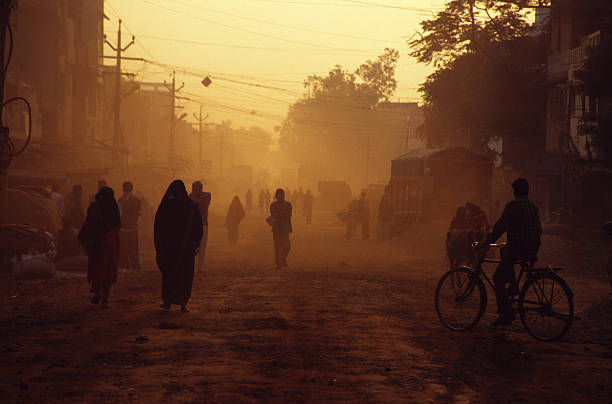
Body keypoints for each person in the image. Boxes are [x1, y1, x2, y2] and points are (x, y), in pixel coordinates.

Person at [486, 178, 542, 326]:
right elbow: (538, 229)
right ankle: (512, 285)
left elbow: (500, 226)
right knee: (505, 249)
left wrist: (487, 241)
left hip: (519, 248)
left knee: (497, 277)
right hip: (533, 248)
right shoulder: (533, 207)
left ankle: (506, 314)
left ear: (514, 191)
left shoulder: (513, 206)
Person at [154, 180, 203, 313]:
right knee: (185, 274)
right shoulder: (190, 206)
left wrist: (159, 245)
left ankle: (168, 300)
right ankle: (183, 303)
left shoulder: (165, 206)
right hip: (185, 249)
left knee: (169, 273)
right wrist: (196, 243)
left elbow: (158, 226)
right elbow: (198, 226)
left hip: (168, 248)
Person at [78, 186, 121, 309]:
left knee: (97, 267)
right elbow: (118, 224)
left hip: (96, 242)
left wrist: (87, 241)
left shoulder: (94, 206)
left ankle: (97, 292)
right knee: (108, 270)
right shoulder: (113, 206)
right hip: (110, 240)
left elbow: (87, 224)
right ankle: (105, 301)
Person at [118, 181, 141, 270]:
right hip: (133, 228)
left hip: (123, 229)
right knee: (134, 248)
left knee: (124, 249)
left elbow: (119, 214)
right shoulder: (138, 201)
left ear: (123, 189)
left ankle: (125, 265)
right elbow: (140, 214)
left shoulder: (120, 201)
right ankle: (135, 265)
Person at [189, 180, 211, 271]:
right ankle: (195, 266)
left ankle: (199, 267)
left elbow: (202, 206)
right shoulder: (191, 196)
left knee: (201, 246)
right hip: (195, 224)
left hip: (202, 224)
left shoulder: (206, 196)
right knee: (194, 246)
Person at [269, 188, 292, 268]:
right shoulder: (273, 205)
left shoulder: (288, 204)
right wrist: (283, 213)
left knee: (287, 246)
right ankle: (278, 263)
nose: (280, 196)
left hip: (285, 228)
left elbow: (289, 214)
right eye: (278, 195)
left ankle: (283, 258)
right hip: (277, 229)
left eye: (281, 195)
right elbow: (273, 214)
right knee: (277, 247)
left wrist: (279, 214)